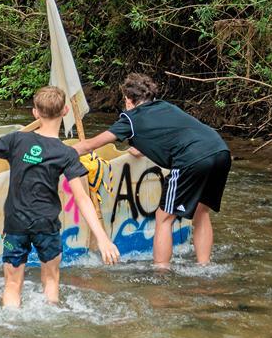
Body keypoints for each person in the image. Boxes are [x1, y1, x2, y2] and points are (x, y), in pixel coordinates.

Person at [0, 86, 119, 308]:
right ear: (65, 111)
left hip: (15, 224)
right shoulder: (66, 153)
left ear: (35, 113)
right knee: (51, 280)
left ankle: (10, 325)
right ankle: (51, 318)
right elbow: (83, 199)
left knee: (12, 283)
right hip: (46, 225)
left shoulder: (16, 140)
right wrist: (103, 239)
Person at [72, 72, 231, 267]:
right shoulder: (166, 107)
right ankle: (204, 266)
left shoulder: (130, 120)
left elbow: (89, 145)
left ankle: (161, 272)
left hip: (191, 159)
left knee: (164, 218)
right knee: (201, 211)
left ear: (129, 100)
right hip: (220, 151)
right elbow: (171, 133)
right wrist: (142, 147)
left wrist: (54, 152)